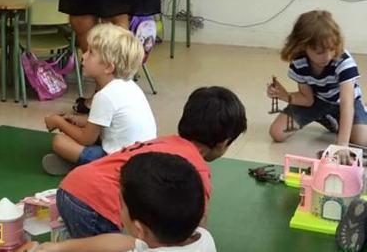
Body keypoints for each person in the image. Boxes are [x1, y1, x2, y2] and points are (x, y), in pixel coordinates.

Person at [44, 86, 246, 252]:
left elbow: (127, 242)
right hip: (94, 204)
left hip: (75, 183)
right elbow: (197, 221)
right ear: (224, 142)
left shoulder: (165, 141)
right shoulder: (195, 171)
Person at [19, 153, 216, 252]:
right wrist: (61, 247)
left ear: (139, 228)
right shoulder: (202, 237)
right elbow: (127, 242)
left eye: (121, 204)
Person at [42, 24, 156, 175]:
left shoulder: (105, 96)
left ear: (109, 67)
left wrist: (58, 122)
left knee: (59, 141)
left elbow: (86, 139)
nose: (84, 56)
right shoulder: (128, 86)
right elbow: (107, 123)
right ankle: (81, 165)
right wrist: (78, 120)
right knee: (80, 134)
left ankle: (88, 168)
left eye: (91, 53)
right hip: (143, 158)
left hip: (121, 163)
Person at [266, 10, 366, 150]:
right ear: (303, 46)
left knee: (361, 140)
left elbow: (347, 103)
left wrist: (342, 144)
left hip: (346, 103)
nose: (327, 56)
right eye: (320, 52)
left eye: (331, 49)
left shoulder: (343, 61)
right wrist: (284, 95)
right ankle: (327, 117)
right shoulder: (299, 62)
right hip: (318, 101)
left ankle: (346, 116)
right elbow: (307, 100)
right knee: (277, 133)